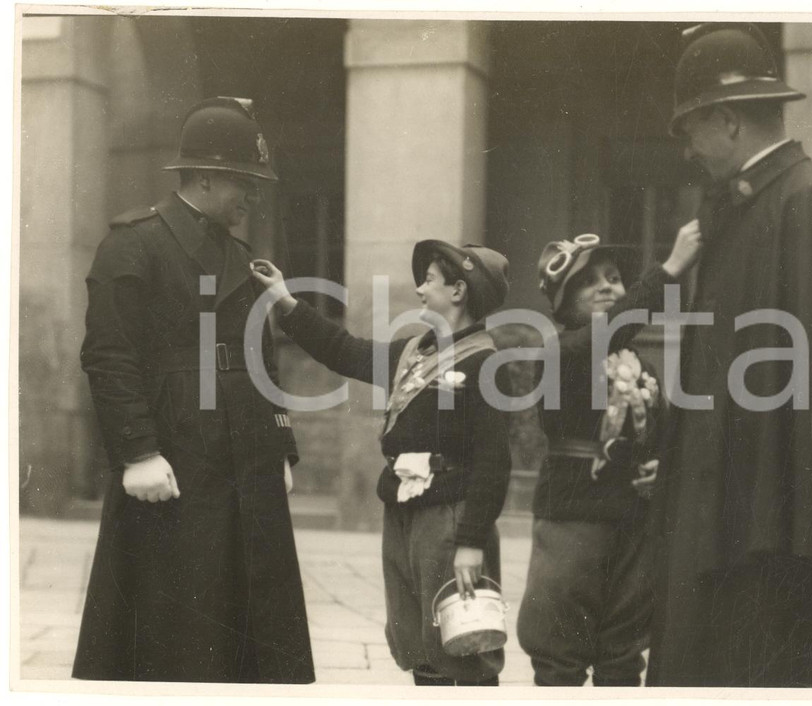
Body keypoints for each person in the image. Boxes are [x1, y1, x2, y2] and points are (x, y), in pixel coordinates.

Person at [645, 23, 812, 688]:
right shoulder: (751, 205)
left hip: (783, 541)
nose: (686, 149)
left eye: (689, 128)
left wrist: (807, 540)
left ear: (727, 120)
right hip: (734, 523)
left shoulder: (811, 202)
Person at [74, 97, 314, 682]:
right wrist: (137, 452)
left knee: (249, 626)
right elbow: (109, 356)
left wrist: (280, 448)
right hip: (176, 452)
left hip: (246, 454)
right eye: (244, 183)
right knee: (175, 624)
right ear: (204, 177)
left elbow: (262, 357)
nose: (252, 197)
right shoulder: (133, 244)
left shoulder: (240, 256)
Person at [250, 241, 512, 686]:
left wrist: (471, 543)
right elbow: (344, 350)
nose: (419, 288)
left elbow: (493, 463)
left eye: (429, 280)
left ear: (458, 291)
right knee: (417, 639)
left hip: (450, 516)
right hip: (404, 510)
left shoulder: (485, 361)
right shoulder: (413, 352)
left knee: (463, 636)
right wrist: (285, 300)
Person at [515, 233, 699, 686]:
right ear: (562, 303)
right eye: (588, 282)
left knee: (623, 652)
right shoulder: (560, 352)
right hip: (573, 516)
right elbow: (606, 334)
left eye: (614, 278)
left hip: (632, 519)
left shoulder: (641, 365)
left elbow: (663, 431)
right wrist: (668, 270)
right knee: (559, 650)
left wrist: (661, 466)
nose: (606, 287)